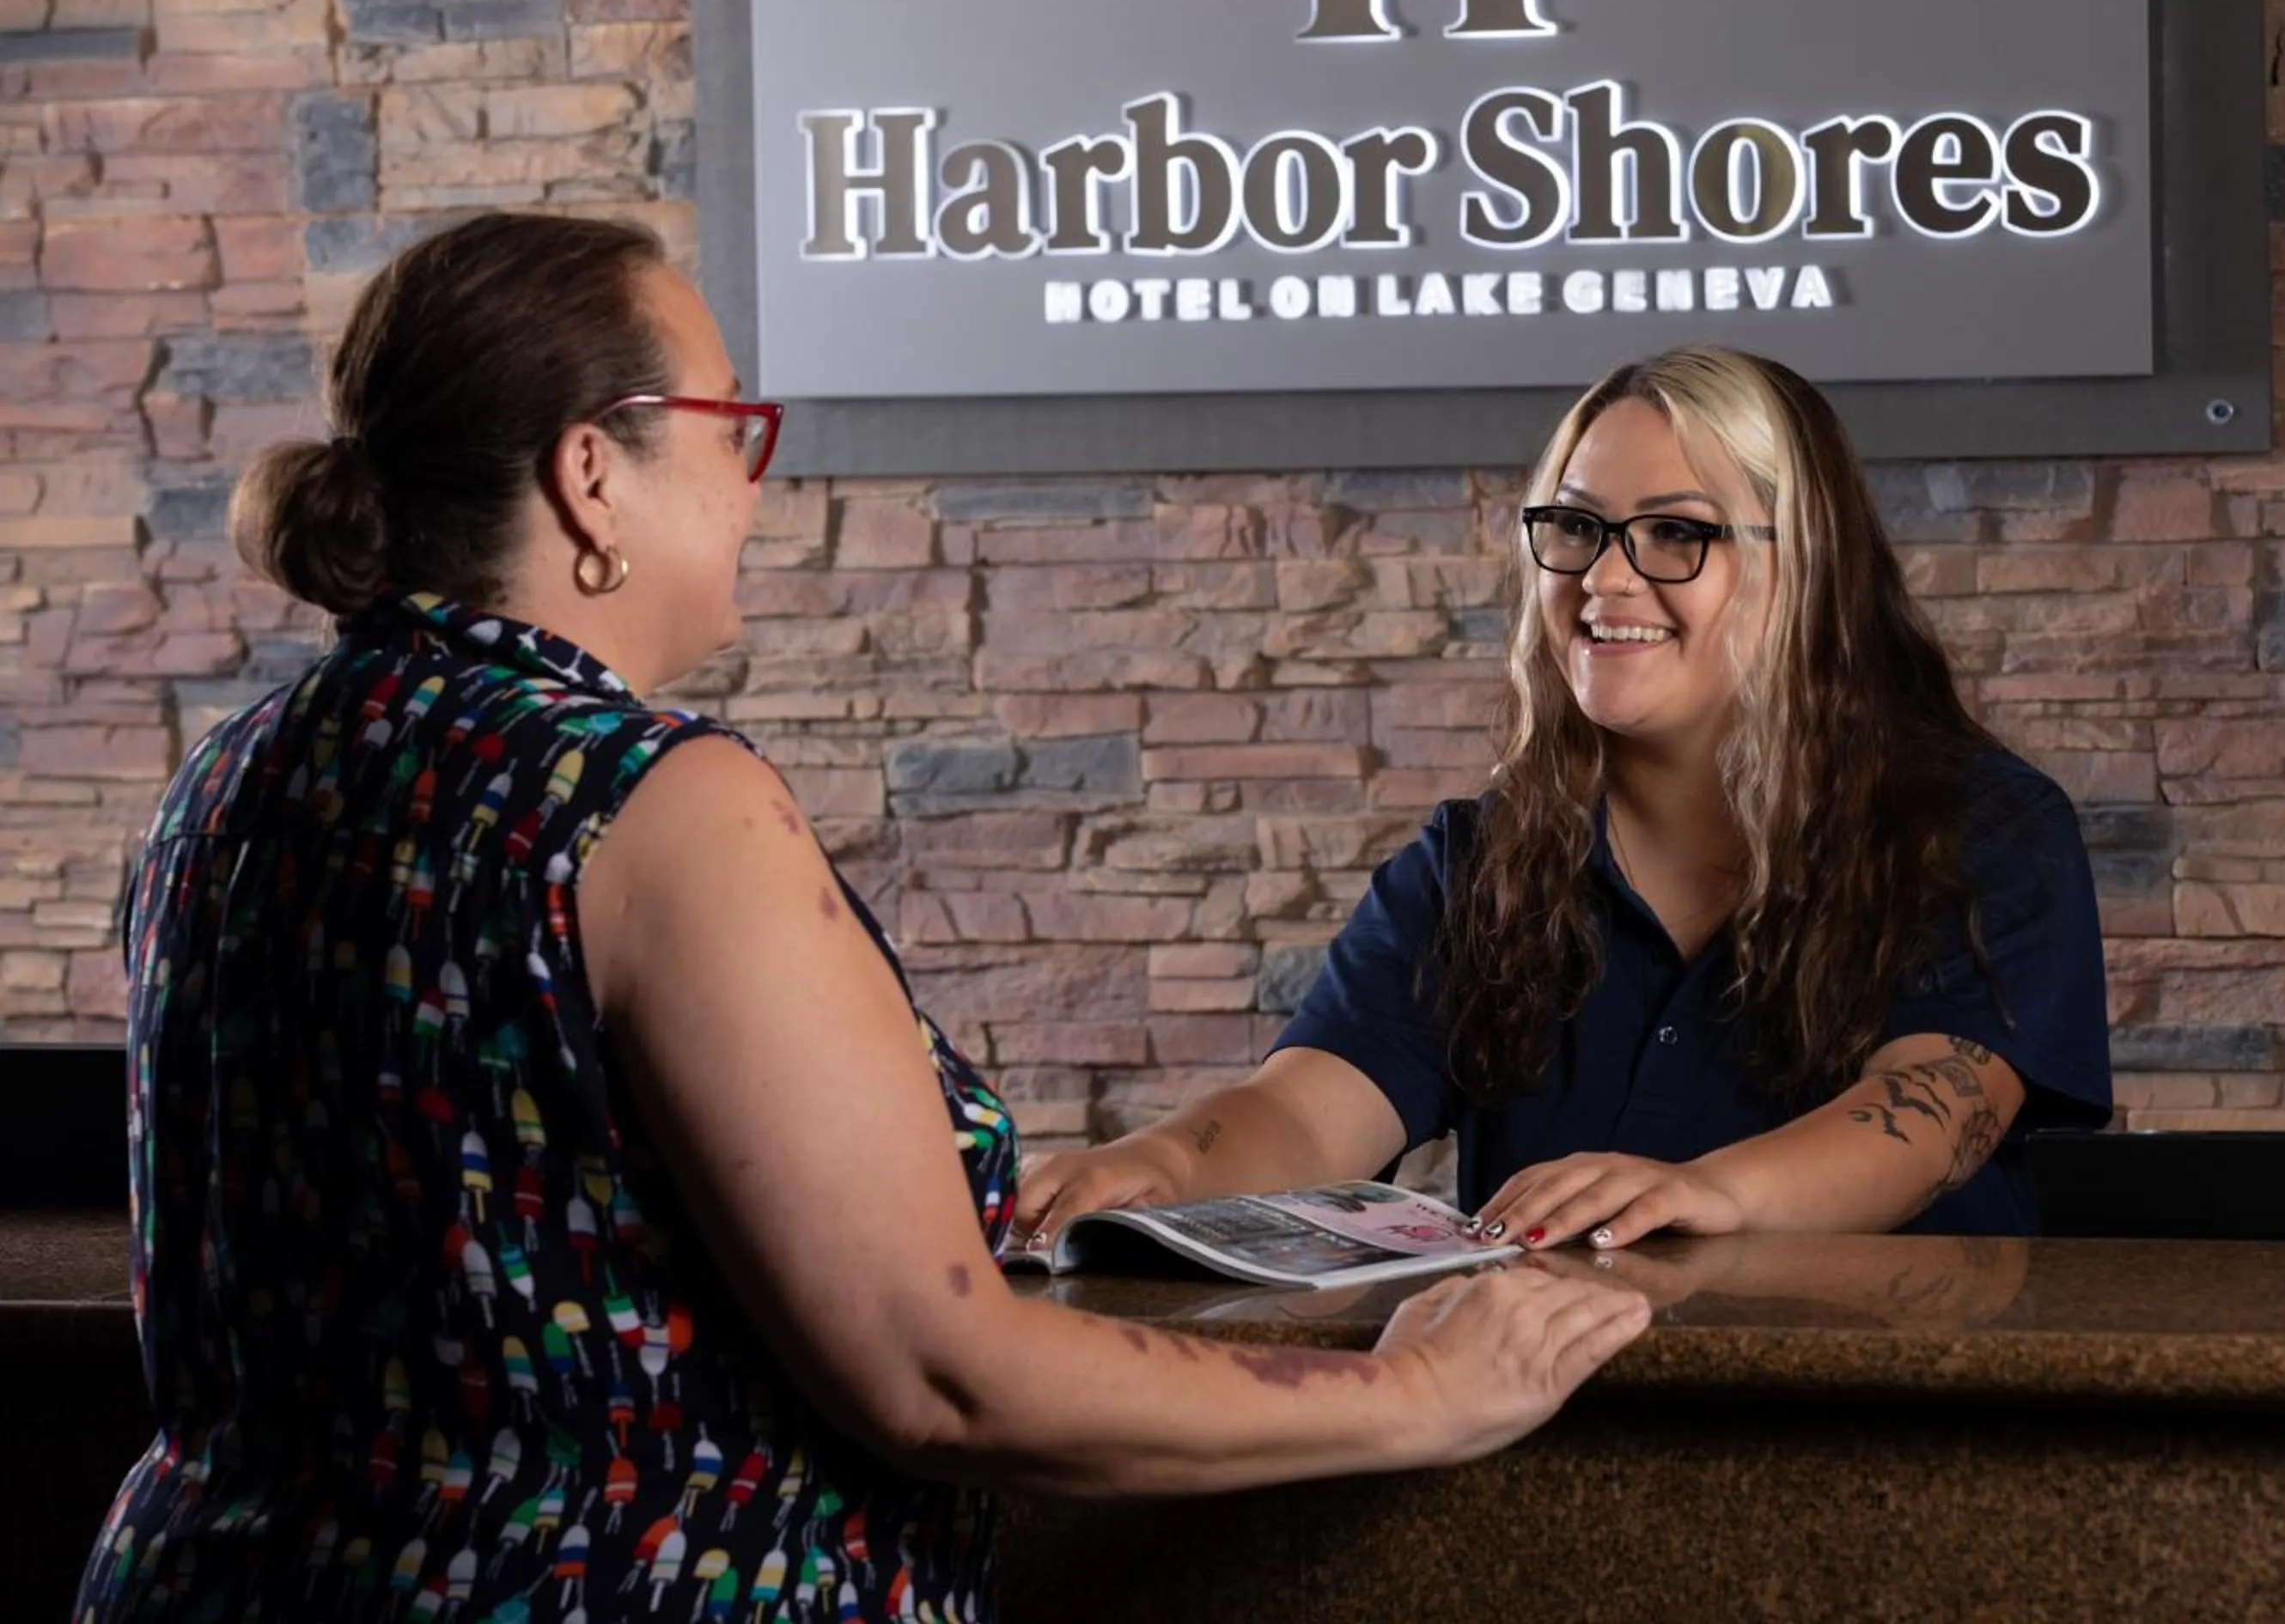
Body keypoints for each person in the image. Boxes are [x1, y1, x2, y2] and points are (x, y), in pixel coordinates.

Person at [76, 213, 1649, 1623]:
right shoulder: (653, 802)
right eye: (729, 428)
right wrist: (1416, 1398)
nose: (758, 484)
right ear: (590, 473)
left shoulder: (230, 778)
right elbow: (938, 1376)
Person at [1018, 346, 2111, 1253]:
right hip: (1546, 1426)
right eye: (1578, 527)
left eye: (1679, 532)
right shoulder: (1476, 862)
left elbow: (1932, 1115)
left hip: (1893, 1438)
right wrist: (1157, 1161)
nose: (1606, 578)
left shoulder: (1981, 830)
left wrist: (1711, 1193)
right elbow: (1306, 1108)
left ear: (1809, 566)